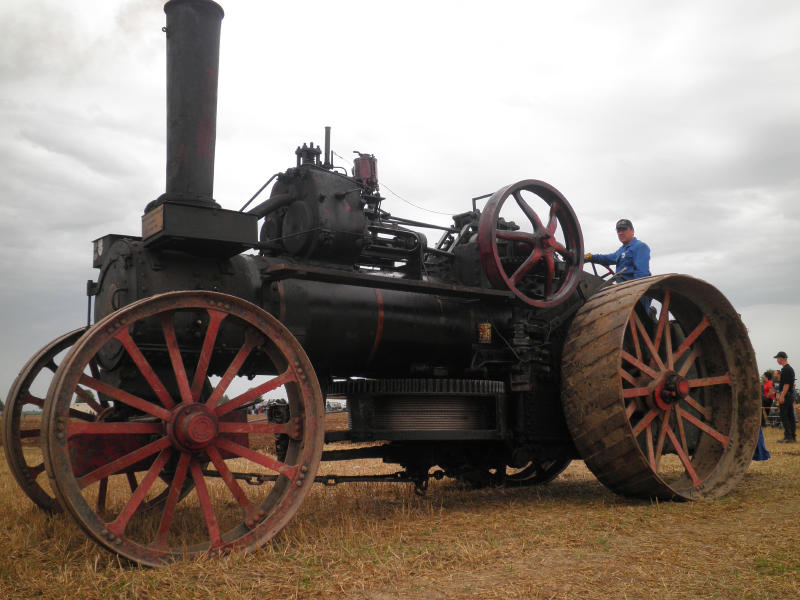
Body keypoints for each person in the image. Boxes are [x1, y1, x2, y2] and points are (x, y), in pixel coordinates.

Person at [585, 219, 651, 281]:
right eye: (618, 231)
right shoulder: (621, 250)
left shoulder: (640, 247)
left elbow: (642, 274)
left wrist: (634, 290)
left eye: (623, 230)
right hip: (622, 287)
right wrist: (591, 257)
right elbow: (607, 258)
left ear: (632, 230)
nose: (620, 233)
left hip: (633, 289)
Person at [774, 351, 796, 443]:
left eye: (777, 358)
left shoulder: (786, 370)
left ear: (781, 358)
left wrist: (782, 396)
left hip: (786, 395)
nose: (777, 360)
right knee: (790, 416)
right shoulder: (787, 369)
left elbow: (786, 384)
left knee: (784, 415)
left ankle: (788, 436)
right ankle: (792, 436)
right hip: (789, 395)